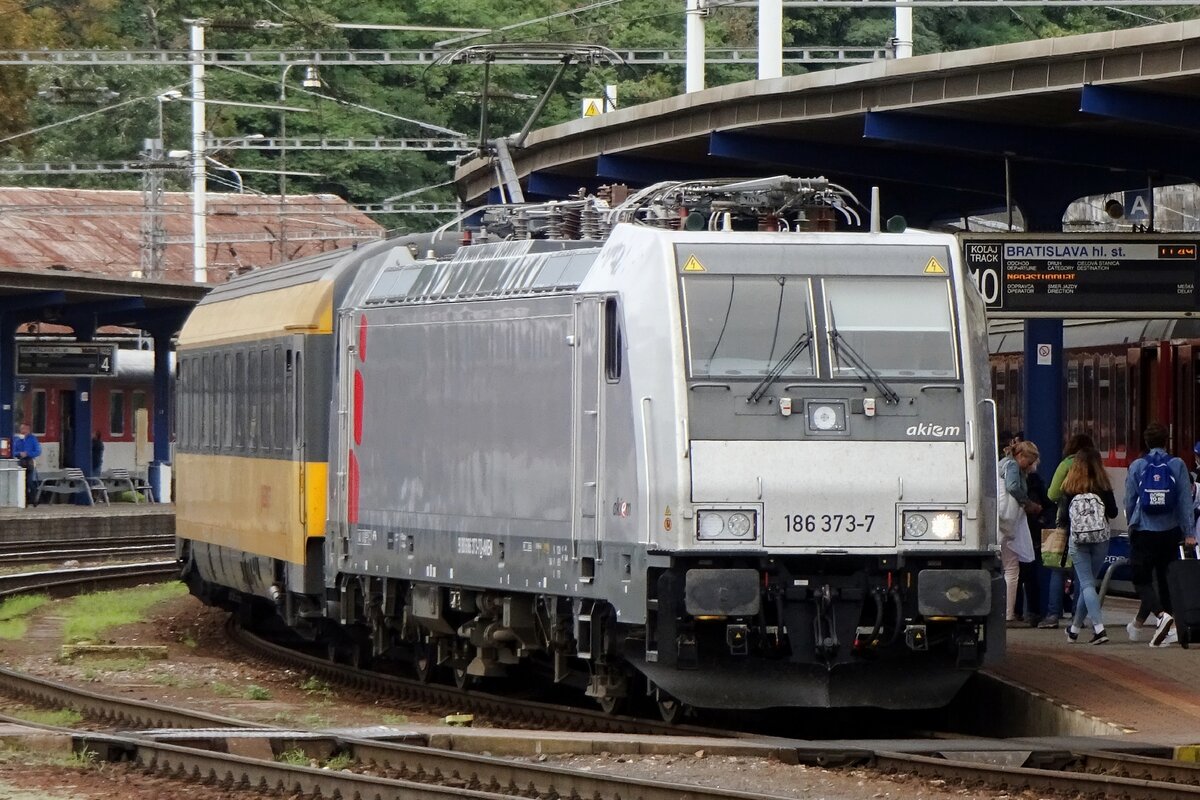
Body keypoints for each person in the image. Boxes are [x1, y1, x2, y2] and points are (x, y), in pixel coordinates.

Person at [1124, 422, 1196, 647]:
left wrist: (1131, 526)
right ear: (1167, 442)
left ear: (1146, 442)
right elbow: (1185, 501)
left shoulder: (1137, 466)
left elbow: (1129, 499)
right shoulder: (1177, 465)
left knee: (1141, 579)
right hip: (1170, 531)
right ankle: (1173, 628)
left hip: (1144, 531)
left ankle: (1162, 616)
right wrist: (1189, 532)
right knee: (1167, 580)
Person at [1060, 448, 1119, 645]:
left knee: (1086, 585)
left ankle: (1099, 629)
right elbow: (1113, 512)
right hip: (1101, 539)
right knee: (1089, 585)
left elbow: (1063, 518)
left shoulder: (1069, 486)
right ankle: (1074, 630)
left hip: (1078, 540)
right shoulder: (1103, 485)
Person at [1041, 433, 1096, 628]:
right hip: (1091, 524)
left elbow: (1052, 493)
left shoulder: (1066, 465)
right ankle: (1078, 616)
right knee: (1083, 571)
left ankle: (1053, 615)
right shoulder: (1094, 466)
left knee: (1059, 568)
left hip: (1066, 521)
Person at [998, 440, 1040, 626]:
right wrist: (1027, 502)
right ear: (1020, 456)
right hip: (1008, 521)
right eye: (1028, 462)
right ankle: (1008, 614)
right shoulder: (1013, 466)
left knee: (1007, 566)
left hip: (1001, 519)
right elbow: (1013, 486)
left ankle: (1007, 612)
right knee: (1012, 568)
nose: (1030, 466)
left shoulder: (1003, 463)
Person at [13, 422, 41, 507]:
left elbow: (38, 451)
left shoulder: (33, 439)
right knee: (22, 482)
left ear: (28, 430)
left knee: (30, 482)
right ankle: (24, 501)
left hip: (29, 462)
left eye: (24, 429)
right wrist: (19, 453)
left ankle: (34, 500)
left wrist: (28, 453)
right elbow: (13, 451)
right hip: (20, 462)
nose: (22, 431)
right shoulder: (17, 439)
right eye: (21, 429)